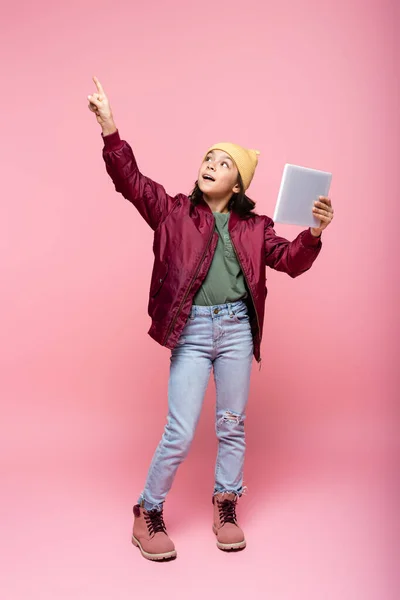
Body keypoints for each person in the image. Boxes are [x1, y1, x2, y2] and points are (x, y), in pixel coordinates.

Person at [87, 76, 334, 562]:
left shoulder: (256, 227)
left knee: (232, 423)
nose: (210, 165)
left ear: (238, 182)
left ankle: (226, 504)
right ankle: (148, 511)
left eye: (223, 163)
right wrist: (110, 129)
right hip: (194, 331)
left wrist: (314, 232)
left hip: (238, 331)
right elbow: (130, 182)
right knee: (179, 429)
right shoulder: (173, 212)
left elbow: (289, 261)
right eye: (207, 158)